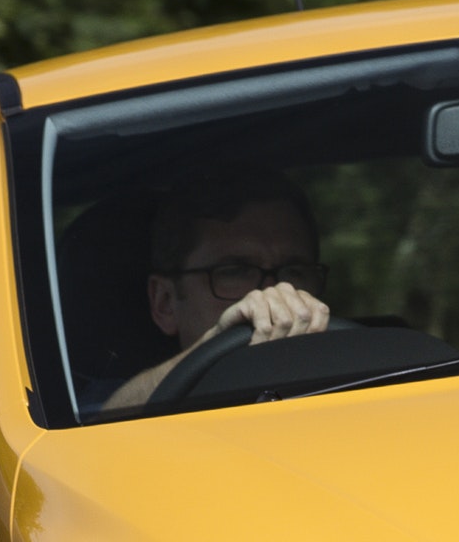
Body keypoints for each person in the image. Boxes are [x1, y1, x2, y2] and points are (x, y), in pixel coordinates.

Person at [103, 165, 332, 409]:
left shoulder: (359, 376)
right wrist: (214, 347)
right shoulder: (96, 402)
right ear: (165, 302)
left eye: (294, 271)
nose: (271, 295)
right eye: (235, 272)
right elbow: (98, 425)